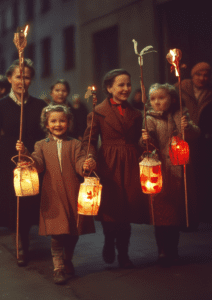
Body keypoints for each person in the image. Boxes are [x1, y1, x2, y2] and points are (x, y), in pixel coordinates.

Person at [0, 59, 47, 266]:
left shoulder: (40, 105)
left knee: (28, 202)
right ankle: (21, 244)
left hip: (32, 157)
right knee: (15, 203)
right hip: (8, 158)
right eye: (18, 76)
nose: (22, 81)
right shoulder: (0, 106)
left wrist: (34, 150)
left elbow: (45, 134)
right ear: (9, 79)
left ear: (31, 80)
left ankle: (26, 237)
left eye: (26, 77)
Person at [16, 105, 96, 284]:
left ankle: (68, 259)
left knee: (74, 231)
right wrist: (26, 154)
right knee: (57, 232)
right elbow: (37, 164)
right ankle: (58, 267)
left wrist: (85, 165)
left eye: (62, 120)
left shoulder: (75, 143)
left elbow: (79, 162)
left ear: (68, 122)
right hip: (52, 193)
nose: (57, 124)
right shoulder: (41, 145)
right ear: (46, 124)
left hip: (73, 192)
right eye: (53, 121)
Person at [81, 69, 149, 268]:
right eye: (120, 85)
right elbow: (89, 141)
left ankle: (124, 254)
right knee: (111, 209)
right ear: (109, 88)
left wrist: (143, 141)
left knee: (126, 210)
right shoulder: (97, 112)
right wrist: (91, 157)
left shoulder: (136, 114)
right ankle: (109, 241)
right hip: (108, 163)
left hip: (130, 162)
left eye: (128, 84)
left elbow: (138, 140)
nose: (126, 88)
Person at [141, 83, 200, 266]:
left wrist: (187, 127)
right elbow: (147, 143)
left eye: (161, 98)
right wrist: (145, 140)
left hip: (178, 170)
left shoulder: (181, 114)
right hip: (159, 170)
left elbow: (194, 135)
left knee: (174, 214)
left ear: (172, 99)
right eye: (153, 99)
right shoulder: (149, 118)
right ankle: (162, 251)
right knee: (160, 214)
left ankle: (173, 249)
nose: (157, 102)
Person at [178, 62, 212, 222]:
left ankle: (202, 212)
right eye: (199, 74)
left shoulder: (209, 93)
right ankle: (187, 213)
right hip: (185, 138)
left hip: (204, 141)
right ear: (192, 75)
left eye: (206, 75)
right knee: (186, 177)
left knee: (203, 176)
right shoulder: (181, 88)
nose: (202, 78)